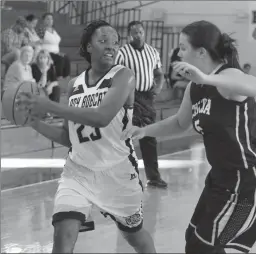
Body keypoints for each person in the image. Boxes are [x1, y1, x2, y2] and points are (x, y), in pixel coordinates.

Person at [122, 20, 256, 254]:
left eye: (182, 47)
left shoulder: (227, 76)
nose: (178, 53)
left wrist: (207, 78)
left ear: (200, 52)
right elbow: (181, 123)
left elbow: (255, 87)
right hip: (221, 178)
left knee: (205, 247)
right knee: (195, 240)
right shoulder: (195, 87)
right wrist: (144, 130)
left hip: (248, 181)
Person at [16, 20, 156, 253]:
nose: (111, 46)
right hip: (78, 170)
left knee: (135, 237)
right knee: (64, 232)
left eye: (115, 43)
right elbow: (67, 137)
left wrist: (50, 106)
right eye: (103, 41)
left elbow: (101, 117)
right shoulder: (74, 85)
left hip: (118, 172)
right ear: (89, 47)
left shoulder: (124, 76)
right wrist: (33, 121)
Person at [115, 21, 167, 188]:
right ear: (129, 34)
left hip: (147, 98)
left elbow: (159, 74)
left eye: (140, 32)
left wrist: (157, 88)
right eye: (133, 32)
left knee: (149, 136)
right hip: (129, 98)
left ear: (144, 32)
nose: (137, 35)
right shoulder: (122, 52)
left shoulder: (153, 51)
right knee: (124, 137)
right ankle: (121, 177)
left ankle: (154, 176)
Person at [37, 13, 70, 80]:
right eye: (48, 19)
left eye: (51, 19)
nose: (50, 20)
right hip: (46, 53)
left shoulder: (54, 30)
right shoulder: (41, 30)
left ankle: (66, 77)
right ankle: (59, 77)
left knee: (66, 57)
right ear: (43, 20)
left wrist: (58, 52)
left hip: (56, 52)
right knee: (60, 58)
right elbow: (38, 42)